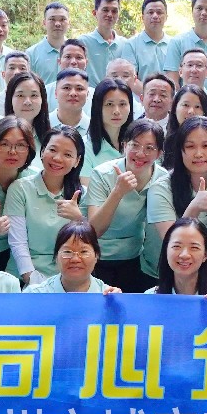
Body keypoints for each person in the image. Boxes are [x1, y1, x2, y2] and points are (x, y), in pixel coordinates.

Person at [145, 115, 207, 284]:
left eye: (206, 145)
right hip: (159, 275)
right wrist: (194, 207)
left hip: (200, 275)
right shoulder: (160, 189)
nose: (198, 153)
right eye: (190, 146)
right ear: (180, 151)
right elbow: (171, 242)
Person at [84, 117, 166, 289]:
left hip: (136, 258)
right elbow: (94, 230)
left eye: (149, 148)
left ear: (159, 153)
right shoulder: (102, 174)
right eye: (134, 145)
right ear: (124, 146)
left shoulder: (163, 179)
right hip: (99, 256)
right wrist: (118, 192)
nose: (140, 154)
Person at [4, 124, 88, 284]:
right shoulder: (20, 189)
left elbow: (89, 246)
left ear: (77, 161)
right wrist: (33, 280)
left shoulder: (81, 194)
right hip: (24, 276)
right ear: (42, 152)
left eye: (67, 154)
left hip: (67, 277)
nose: (57, 158)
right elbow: (18, 243)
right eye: (53, 150)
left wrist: (79, 219)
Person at [23, 223, 121, 294]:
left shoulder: (108, 296)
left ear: (96, 256)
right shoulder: (35, 295)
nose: (75, 259)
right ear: (56, 256)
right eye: (67, 252)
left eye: (84, 252)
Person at [149, 216, 207, 295]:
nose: (184, 255)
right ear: (166, 250)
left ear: (205, 255)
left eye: (194, 247)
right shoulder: (150, 297)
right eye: (177, 246)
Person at [76, 0, 131, 83]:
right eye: (105, 10)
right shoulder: (83, 42)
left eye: (114, 11)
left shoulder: (126, 44)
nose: (110, 15)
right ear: (94, 13)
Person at [86, 77, 136, 167]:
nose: (116, 111)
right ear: (98, 108)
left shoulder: (138, 143)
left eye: (122, 104)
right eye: (109, 104)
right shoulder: (85, 147)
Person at [126, 0, 175, 79]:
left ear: (166, 17)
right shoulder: (131, 45)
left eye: (159, 12)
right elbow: (130, 78)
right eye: (150, 12)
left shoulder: (174, 44)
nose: (155, 16)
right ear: (142, 17)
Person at [25, 1, 72, 83]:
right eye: (52, 19)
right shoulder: (31, 54)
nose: (57, 24)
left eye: (62, 19)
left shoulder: (76, 51)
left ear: (69, 23)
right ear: (44, 23)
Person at [4, 70, 53, 148]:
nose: (27, 102)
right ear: (10, 99)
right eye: (20, 95)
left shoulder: (53, 139)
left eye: (34, 95)